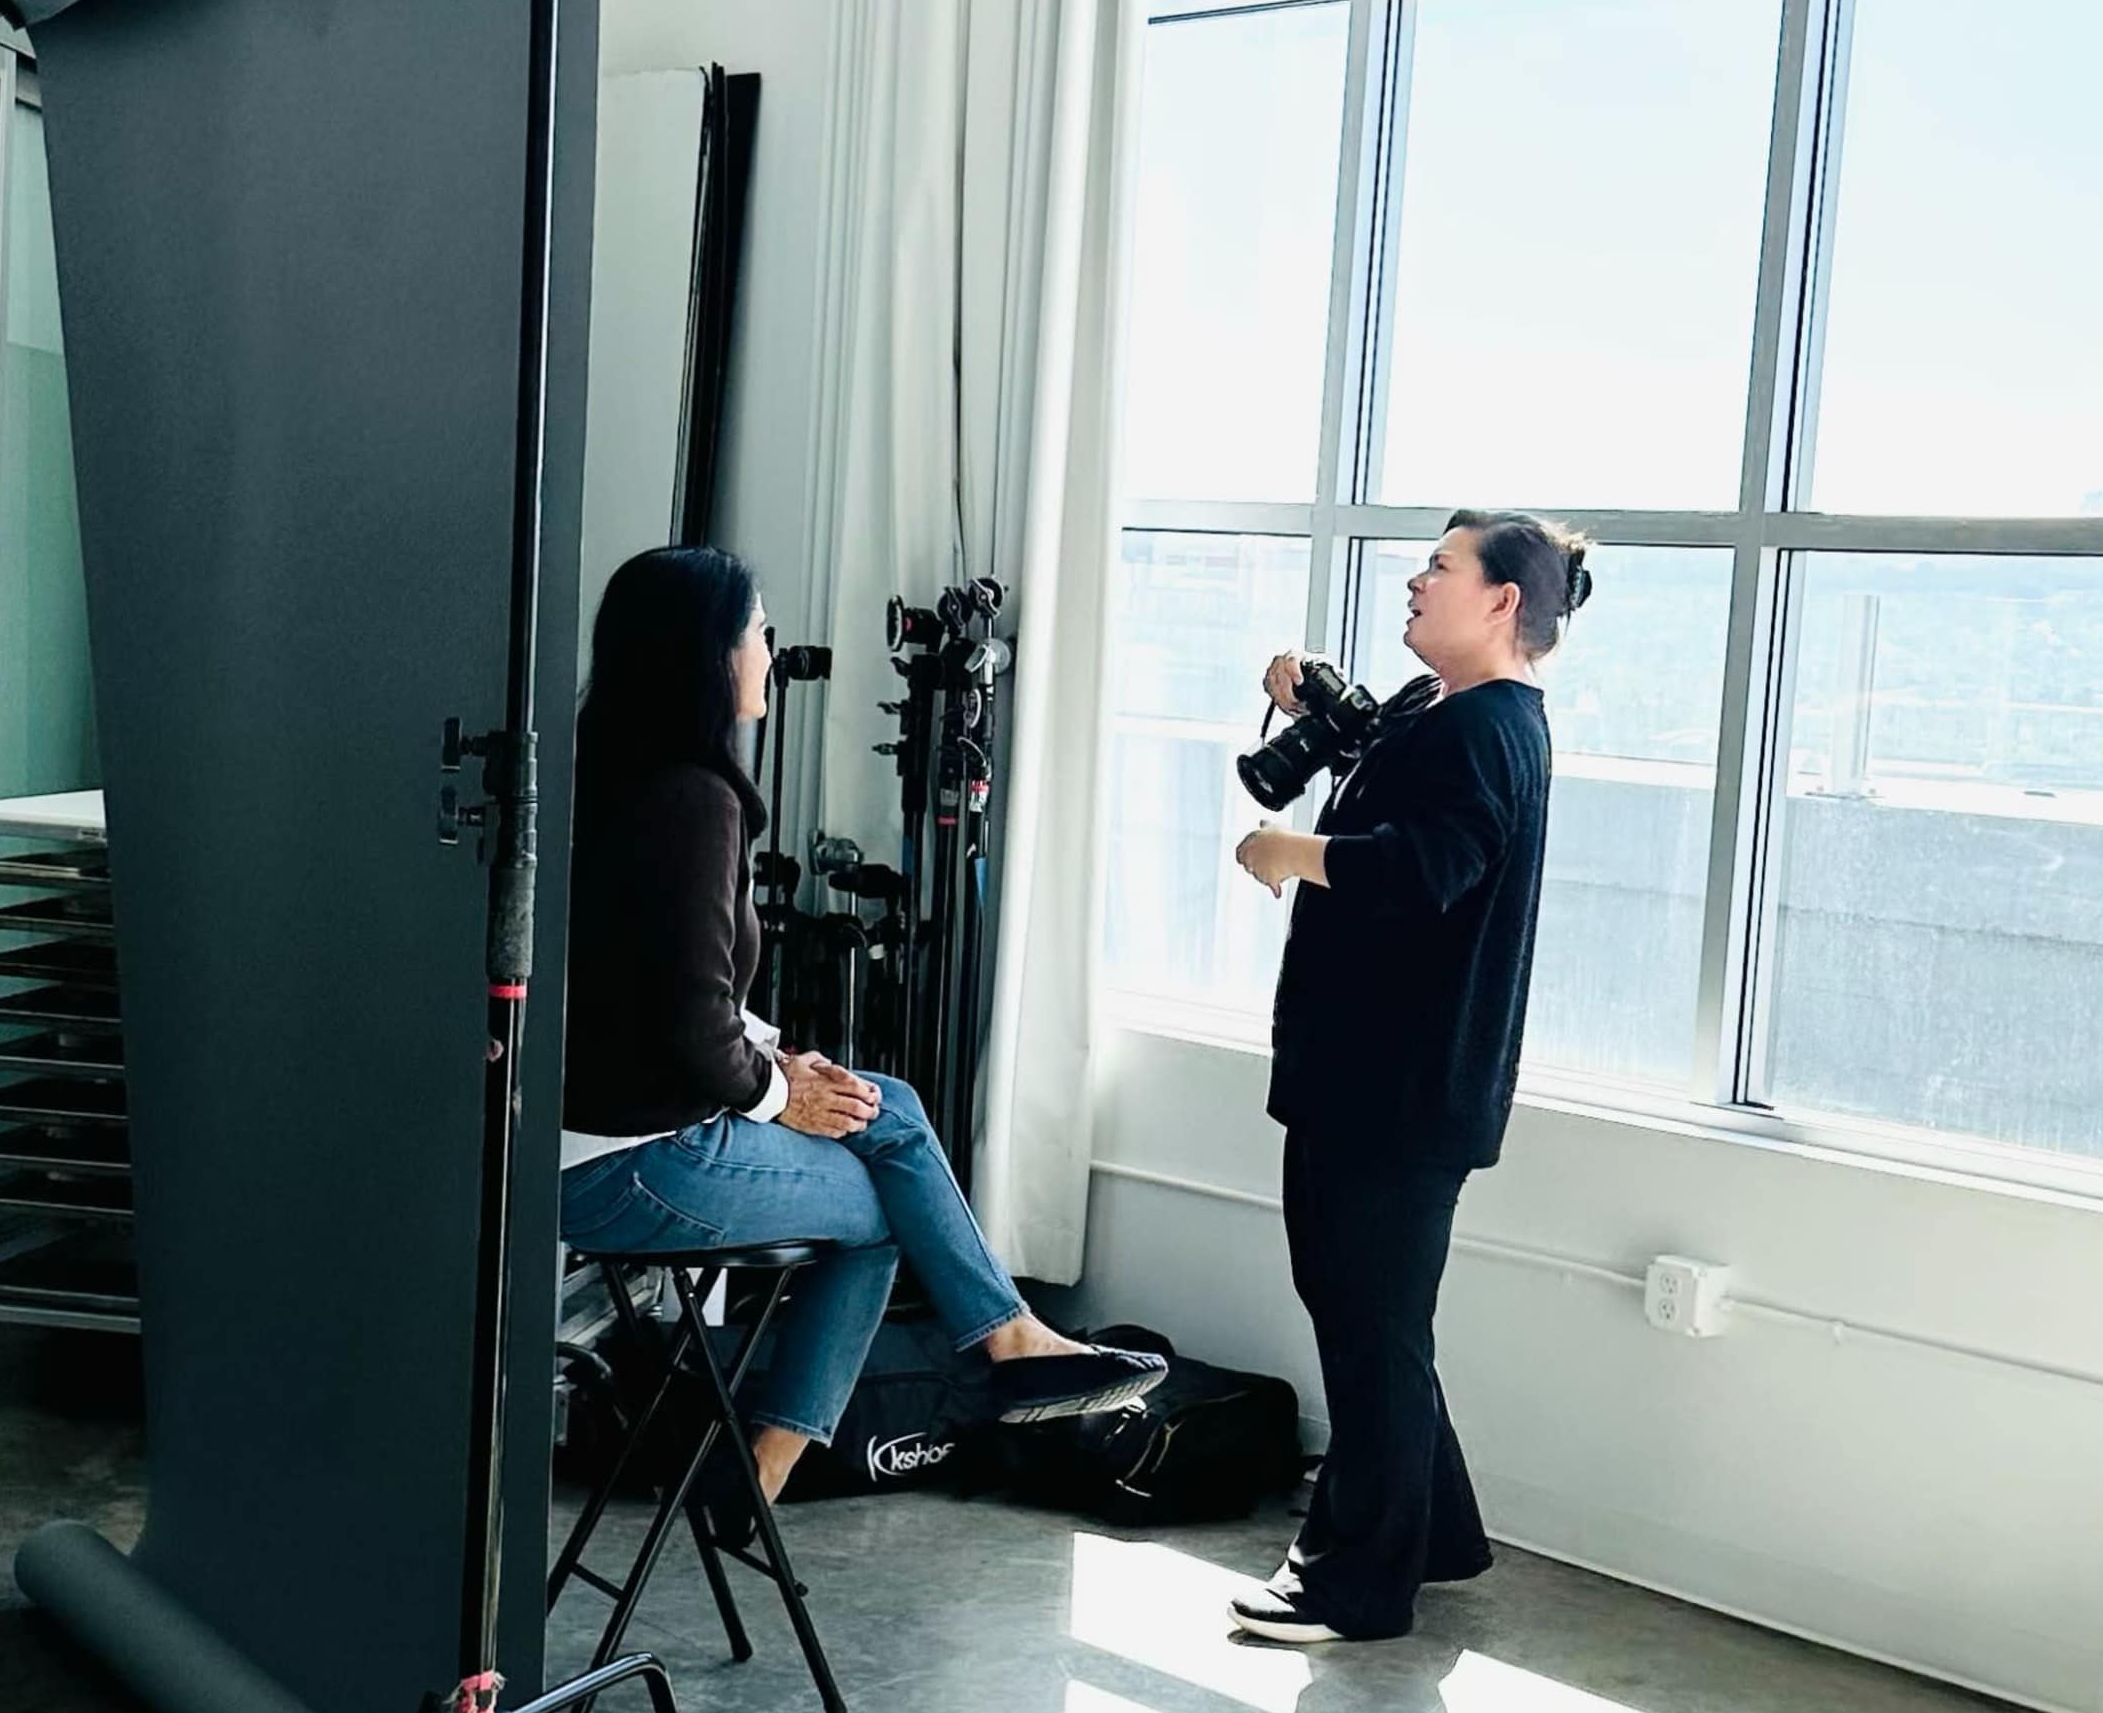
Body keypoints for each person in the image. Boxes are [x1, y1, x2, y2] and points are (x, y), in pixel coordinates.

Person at [560, 546, 1156, 1504]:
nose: (768, 649)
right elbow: (680, 1022)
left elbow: (652, 986)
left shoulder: (612, 771)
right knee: (890, 1212)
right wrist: (772, 1095)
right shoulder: (692, 799)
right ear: (707, 653)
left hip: (581, 1141)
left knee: (894, 1118)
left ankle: (985, 1351)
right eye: (757, 630)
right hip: (627, 1161)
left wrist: (774, 1060)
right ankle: (794, 1454)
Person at [1225, 512, 1587, 1649]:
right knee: (1374, 1314)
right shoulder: (1449, 709)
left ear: (1502, 603)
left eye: (1443, 566)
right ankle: (1434, 1534)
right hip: (1379, 1072)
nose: (1418, 580)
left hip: (1398, 1083)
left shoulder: (1489, 727)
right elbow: (1401, 780)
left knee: (1368, 1322)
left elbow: (1432, 864)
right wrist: (1316, 717)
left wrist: (1296, 853)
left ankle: (1355, 1583)